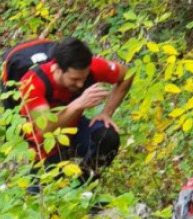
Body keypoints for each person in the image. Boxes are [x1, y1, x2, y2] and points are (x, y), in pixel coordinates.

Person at [17, 36, 132, 189]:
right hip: (43, 145)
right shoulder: (32, 82)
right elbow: (45, 128)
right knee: (47, 196)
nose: (80, 84)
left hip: (74, 130)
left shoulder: (91, 68)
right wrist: (79, 103)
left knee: (107, 137)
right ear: (57, 68)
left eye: (84, 79)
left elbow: (127, 75)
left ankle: (85, 188)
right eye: (74, 79)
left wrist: (107, 112)